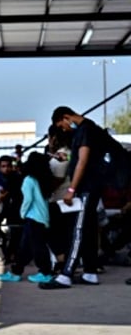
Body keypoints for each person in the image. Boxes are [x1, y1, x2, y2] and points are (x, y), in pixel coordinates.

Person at [41, 106, 116, 289]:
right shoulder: (92, 129)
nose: (64, 130)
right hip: (91, 186)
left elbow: (82, 160)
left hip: (86, 187)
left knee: (78, 230)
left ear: (66, 118)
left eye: (62, 126)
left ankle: (66, 274)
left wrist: (72, 189)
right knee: (88, 230)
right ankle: (90, 272)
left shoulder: (85, 131)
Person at [0, 152, 54, 283]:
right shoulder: (43, 180)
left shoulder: (29, 179)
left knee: (37, 247)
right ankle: (16, 271)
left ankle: (45, 272)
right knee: (25, 248)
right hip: (42, 217)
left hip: (32, 218)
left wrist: (22, 213)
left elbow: (27, 200)